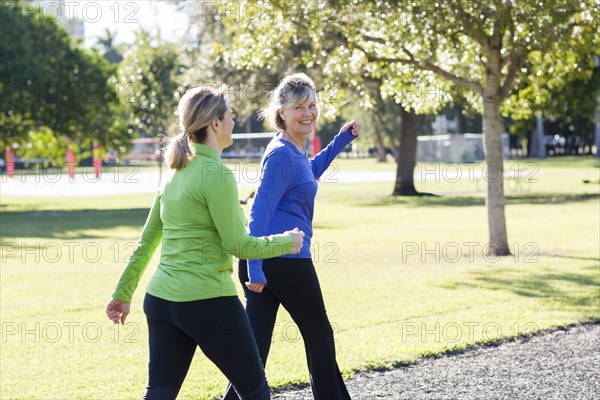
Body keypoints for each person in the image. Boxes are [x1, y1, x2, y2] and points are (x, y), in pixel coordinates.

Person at [105, 85, 305, 400]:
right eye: (230, 117)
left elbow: (147, 241)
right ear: (215, 123)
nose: (234, 123)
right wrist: (287, 241)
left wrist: (123, 293)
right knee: (255, 392)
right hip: (208, 302)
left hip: (161, 301)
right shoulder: (218, 175)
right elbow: (240, 245)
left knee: (159, 393)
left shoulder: (174, 173)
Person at [224, 73, 360, 400]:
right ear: (281, 112)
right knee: (319, 335)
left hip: (268, 261)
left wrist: (339, 142)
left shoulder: (293, 150)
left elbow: (307, 175)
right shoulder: (282, 153)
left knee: (254, 352)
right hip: (281, 260)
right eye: (298, 106)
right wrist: (255, 269)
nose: (308, 113)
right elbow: (259, 211)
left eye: (312, 105)